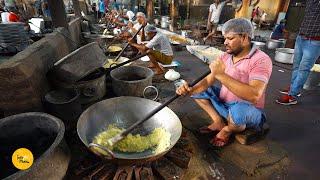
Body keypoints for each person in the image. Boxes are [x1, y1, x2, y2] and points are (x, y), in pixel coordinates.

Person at [176, 18, 272, 147]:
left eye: (230, 38)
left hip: (247, 110)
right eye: (225, 38)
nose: (225, 42)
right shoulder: (225, 56)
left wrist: (220, 74)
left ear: (244, 37)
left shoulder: (261, 60)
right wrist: (188, 89)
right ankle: (218, 122)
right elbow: (207, 81)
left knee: (238, 113)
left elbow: (254, 95)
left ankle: (228, 130)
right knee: (197, 88)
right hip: (225, 104)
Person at [276, 0, 320, 105]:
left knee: (303, 68)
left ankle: (292, 95)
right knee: (296, 66)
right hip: (301, 37)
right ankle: (293, 87)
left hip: (314, 41)